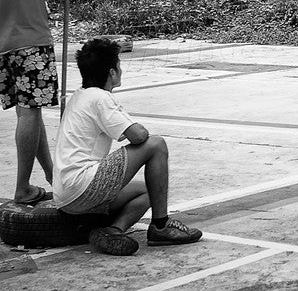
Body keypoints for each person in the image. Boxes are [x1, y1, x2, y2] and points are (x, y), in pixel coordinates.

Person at [52, 38, 202, 256]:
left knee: (154, 189)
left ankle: (112, 231)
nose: (121, 70)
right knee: (156, 144)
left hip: (66, 195)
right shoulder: (100, 98)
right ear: (112, 73)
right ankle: (161, 225)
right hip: (82, 185)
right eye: (119, 65)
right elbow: (139, 135)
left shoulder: (80, 95)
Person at [1, 0, 91, 205]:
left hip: (6, 47)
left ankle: (52, 177)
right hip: (30, 42)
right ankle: (23, 188)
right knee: (30, 114)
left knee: (29, 114)